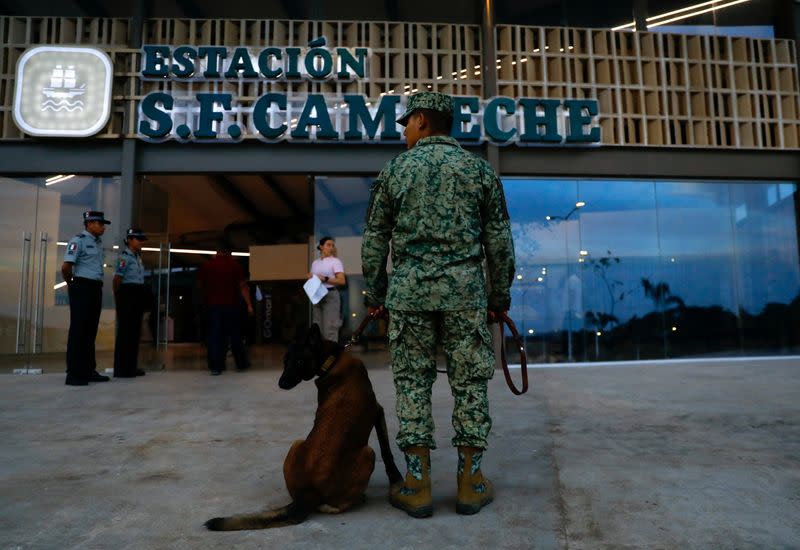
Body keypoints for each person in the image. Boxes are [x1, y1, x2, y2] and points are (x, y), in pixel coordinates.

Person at [361, 91, 515, 518]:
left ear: (424, 120)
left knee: (412, 383)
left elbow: (375, 240)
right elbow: (499, 242)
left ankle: (417, 484)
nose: (405, 131)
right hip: (465, 294)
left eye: (407, 122)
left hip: (409, 295)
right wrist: (498, 298)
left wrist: (376, 297)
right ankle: (471, 483)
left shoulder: (394, 172)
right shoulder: (479, 172)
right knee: (470, 384)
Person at [61, 211, 113, 386]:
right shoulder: (78, 241)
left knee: (90, 331)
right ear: (89, 223)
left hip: (95, 288)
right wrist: (71, 284)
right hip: (81, 286)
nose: (103, 227)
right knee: (78, 331)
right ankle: (74, 374)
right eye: (100, 223)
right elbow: (66, 266)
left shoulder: (98, 244)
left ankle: (88, 370)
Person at [196, 242, 254, 375]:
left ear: (217, 251)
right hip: (231, 306)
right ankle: (241, 363)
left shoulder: (207, 266)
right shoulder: (235, 266)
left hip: (212, 307)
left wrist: (203, 302)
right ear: (229, 252)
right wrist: (249, 304)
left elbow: (199, 286)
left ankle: (216, 366)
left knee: (215, 337)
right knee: (235, 336)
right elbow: (242, 286)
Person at [113, 228, 148, 378]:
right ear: (130, 240)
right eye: (138, 239)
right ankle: (121, 369)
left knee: (134, 332)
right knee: (125, 333)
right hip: (127, 294)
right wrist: (119, 299)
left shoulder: (137, 257)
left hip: (137, 294)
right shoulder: (125, 258)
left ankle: (131, 367)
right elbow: (117, 280)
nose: (141, 242)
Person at [307, 236, 346, 343]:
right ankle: (320, 355)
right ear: (321, 247)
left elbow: (342, 281)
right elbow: (314, 280)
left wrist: (324, 278)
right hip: (317, 294)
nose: (331, 247)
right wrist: (311, 278)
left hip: (331, 295)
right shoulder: (315, 263)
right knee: (317, 327)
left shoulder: (335, 261)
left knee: (330, 328)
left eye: (333, 245)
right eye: (328, 245)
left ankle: (332, 356)